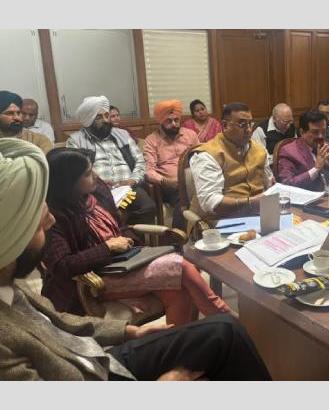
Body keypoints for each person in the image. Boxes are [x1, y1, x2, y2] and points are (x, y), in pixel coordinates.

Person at [0, 138, 271, 380]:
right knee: (185, 275)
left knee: (221, 328)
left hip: (97, 353)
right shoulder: (5, 342)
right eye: (38, 223)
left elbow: (60, 322)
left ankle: (216, 325)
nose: (49, 221)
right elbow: (61, 266)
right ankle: (222, 317)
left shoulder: (14, 289)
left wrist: (129, 332)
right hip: (92, 358)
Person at [41, 147, 229, 324]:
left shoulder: (98, 192)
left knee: (179, 291)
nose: (96, 176)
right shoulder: (53, 216)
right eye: (87, 174)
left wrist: (131, 242)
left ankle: (181, 342)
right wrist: (107, 248)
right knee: (182, 266)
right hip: (94, 279)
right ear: (67, 182)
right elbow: (62, 266)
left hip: (124, 263)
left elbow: (120, 227)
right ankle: (223, 317)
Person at [66, 96, 155, 225]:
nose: (105, 120)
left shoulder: (123, 135)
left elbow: (140, 162)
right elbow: (77, 172)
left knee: (147, 207)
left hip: (128, 188)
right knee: (109, 215)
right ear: (88, 120)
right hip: (97, 192)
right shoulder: (76, 141)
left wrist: (132, 180)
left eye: (106, 115)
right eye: (99, 117)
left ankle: (131, 236)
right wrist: (100, 185)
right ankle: (118, 235)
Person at [187, 102, 271, 229]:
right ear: (225, 125)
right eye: (242, 124)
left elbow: (268, 183)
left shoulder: (259, 149)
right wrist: (250, 202)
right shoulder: (207, 154)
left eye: (250, 124)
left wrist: (271, 186)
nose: (249, 130)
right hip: (218, 221)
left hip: (258, 216)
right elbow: (210, 201)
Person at [144, 100, 199, 229]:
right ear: (161, 122)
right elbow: (149, 171)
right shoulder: (151, 140)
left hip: (194, 179)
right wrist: (166, 181)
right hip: (169, 185)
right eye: (169, 121)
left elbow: (201, 157)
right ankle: (177, 237)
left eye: (176, 120)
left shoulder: (190, 135)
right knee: (183, 197)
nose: (174, 124)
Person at [277, 109, 329, 191]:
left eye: (323, 132)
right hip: (309, 197)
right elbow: (287, 184)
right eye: (315, 132)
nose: (320, 136)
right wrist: (316, 169)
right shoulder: (289, 151)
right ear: (302, 132)